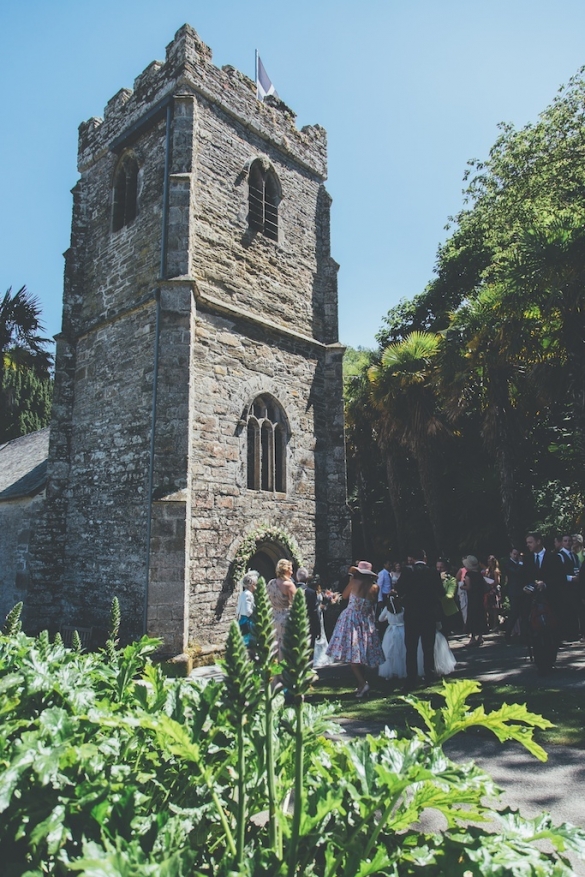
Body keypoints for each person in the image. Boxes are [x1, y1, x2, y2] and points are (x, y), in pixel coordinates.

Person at [326, 561, 384, 697]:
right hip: (365, 619)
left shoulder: (354, 583)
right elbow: (373, 603)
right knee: (361, 653)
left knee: (353, 654)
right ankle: (361, 684)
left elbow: (345, 596)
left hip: (352, 618)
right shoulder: (375, 587)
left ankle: (363, 683)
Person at [397, 549, 443, 690]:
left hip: (412, 614)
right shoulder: (433, 572)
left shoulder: (408, 571)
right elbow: (441, 592)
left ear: (413, 558)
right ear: (425, 558)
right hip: (428, 613)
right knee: (428, 646)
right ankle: (429, 676)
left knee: (411, 648)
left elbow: (399, 588)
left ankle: (411, 679)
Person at [523, 532, 564, 674]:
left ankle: (550, 659)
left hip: (550, 601)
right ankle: (540, 662)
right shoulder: (527, 560)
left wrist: (545, 584)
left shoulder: (553, 558)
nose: (528, 545)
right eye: (527, 542)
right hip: (533, 603)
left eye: (530, 542)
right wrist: (526, 587)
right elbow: (524, 578)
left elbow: (560, 579)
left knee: (551, 631)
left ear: (539, 541)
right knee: (536, 632)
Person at [267, 559, 297, 659]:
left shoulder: (271, 583)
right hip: (286, 618)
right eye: (291, 570)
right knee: (285, 645)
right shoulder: (289, 585)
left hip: (273, 617)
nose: (292, 572)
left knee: (275, 644)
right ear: (286, 570)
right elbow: (296, 605)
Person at [461, 555, 488, 647]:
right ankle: (480, 636)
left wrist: (462, 587)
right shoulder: (479, 574)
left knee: (472, 616)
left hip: (472, 598)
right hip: (479, 597)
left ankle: (472, 638)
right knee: (480, 615)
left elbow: (469, 587)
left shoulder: (469, 575)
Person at [296, 567, 320, 652]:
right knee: (309, 649)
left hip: (295, 623)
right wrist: (318, 628)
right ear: (307, 578)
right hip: (309, 624)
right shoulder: (311, 592)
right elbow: (314, 611)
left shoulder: (292, 589)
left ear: (297, 578)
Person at [502, 547, 524, 642]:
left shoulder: (518, 563)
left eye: (517, 554)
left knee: (522, 613)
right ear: (510, 554)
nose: (516, 556)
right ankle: (508, 634)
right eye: (514, 554)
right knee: (514, 613)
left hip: (521, 590)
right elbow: (516, 572)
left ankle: (523, 634)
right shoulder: (508, 564)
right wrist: (520, 563)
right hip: (514, 591)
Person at [436, 558, 460, 636]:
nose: (439, 570)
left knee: (445, 633)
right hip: (435, 610)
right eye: (437, 567)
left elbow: (450, 595)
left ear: (446, 568)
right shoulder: (432, 579)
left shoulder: (451, 580)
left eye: (441, 567)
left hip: (447, 611)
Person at [236, 570, 259, 648]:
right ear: (251, 585)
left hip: (243, 618)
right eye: (255, 585)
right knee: (247, 640)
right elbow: (248, 610)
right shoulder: (248, 595)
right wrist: (255, 614)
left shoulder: (244, 593)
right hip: (247, 620)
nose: (256, 587)